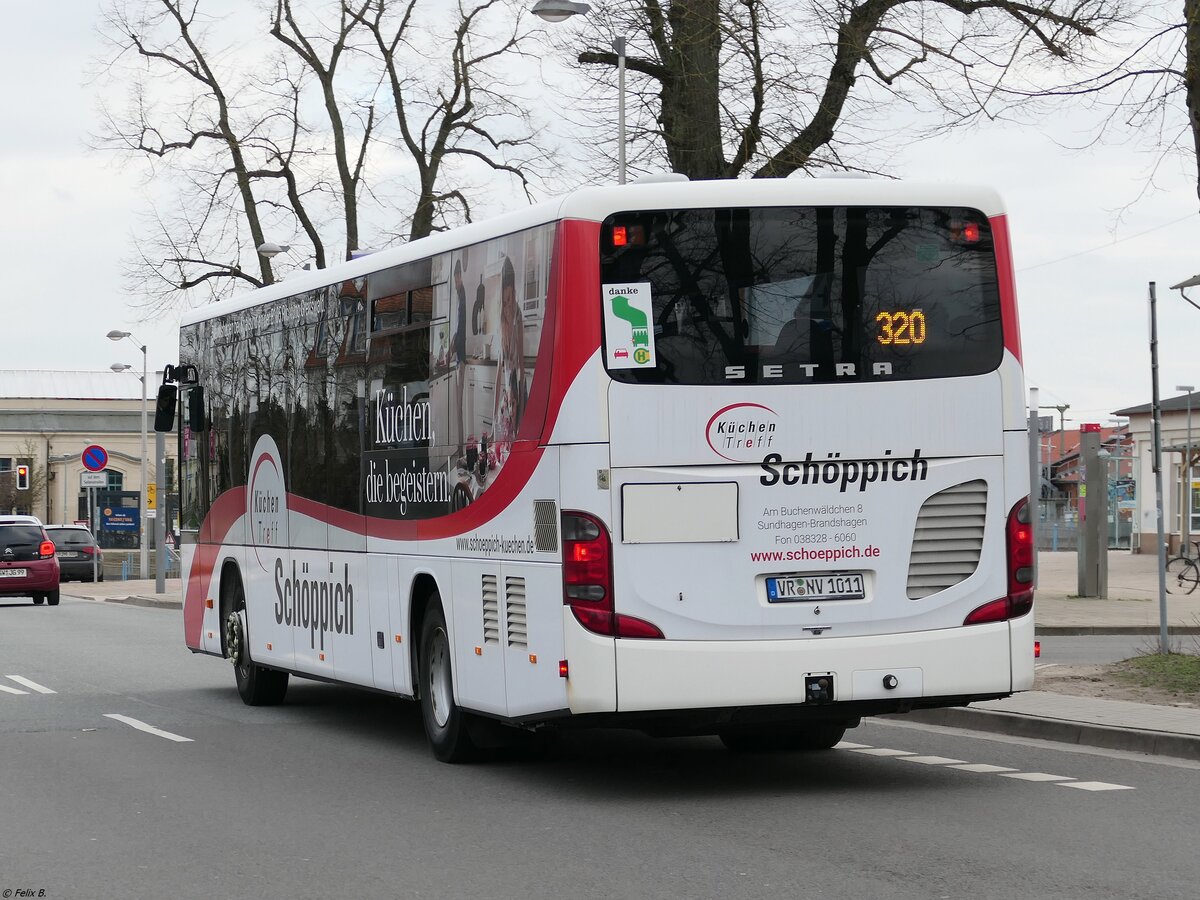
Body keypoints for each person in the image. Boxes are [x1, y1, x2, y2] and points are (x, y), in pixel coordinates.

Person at [492, 256, 525, 463]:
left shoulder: (518, 316)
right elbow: (499, 369)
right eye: (504, 302)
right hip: (505, 390)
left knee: (515, 442)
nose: (507, 305)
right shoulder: (501, 318)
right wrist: (494, 412)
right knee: (502, 445)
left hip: (516, 387)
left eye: (509, 300)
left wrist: (518, 396)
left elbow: (520, 363)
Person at [451, 257, 468, 448]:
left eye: (457, 277)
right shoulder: (459, 296)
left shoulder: (462, 295)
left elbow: (461, 328)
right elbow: (457, 328)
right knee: (458, 406)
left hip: (461, 358)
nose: (456, 281)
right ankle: (460, 446)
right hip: (459, 357)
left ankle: (461, 448)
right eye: (455, 277)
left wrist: (453, 348)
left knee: (459, 405)